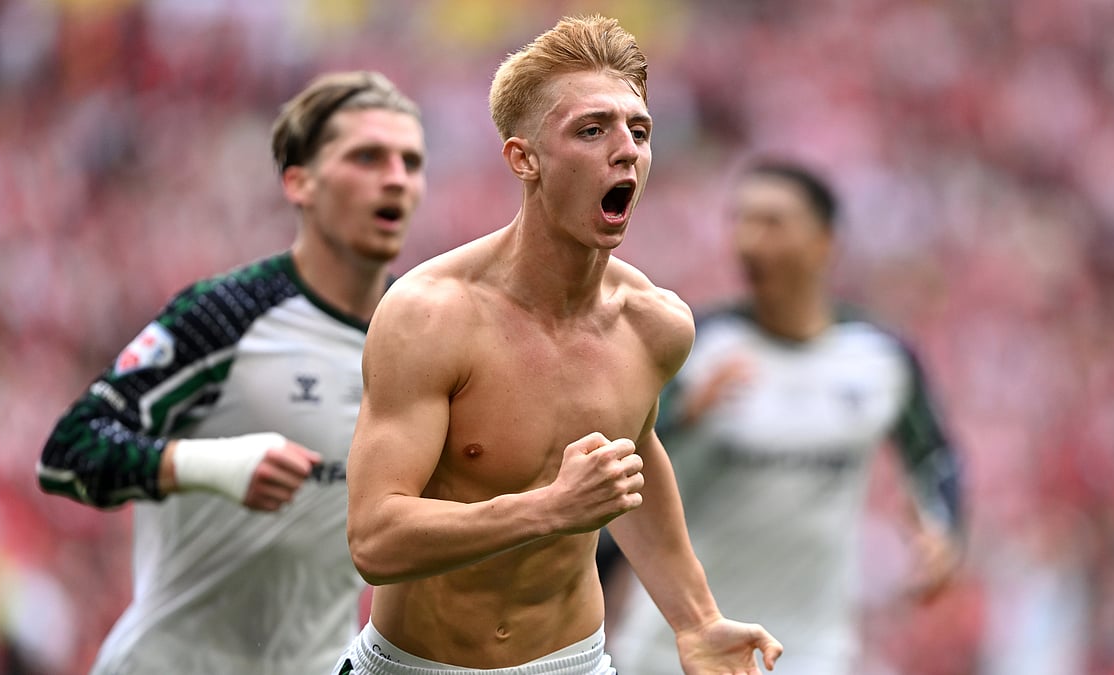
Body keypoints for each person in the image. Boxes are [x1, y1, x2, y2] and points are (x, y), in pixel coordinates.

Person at [335, 15, 783, 675]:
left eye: (640, 129)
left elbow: (632, 459)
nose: (625, 147)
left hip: (572, 662)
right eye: (592, 129)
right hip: (413, 665)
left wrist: (697, 619)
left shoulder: (655, 325)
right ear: (525, 158)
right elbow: (374, 538)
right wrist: (547, 508)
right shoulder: (429, 316)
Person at [36, 70, 426, 674]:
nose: (396, 178)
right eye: (368, 157)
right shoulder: (227, 315)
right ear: (300, 182)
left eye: (410, 161)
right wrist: (209, 466)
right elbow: (68, 450)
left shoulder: (424, 340)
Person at [608, 160, 965, 675]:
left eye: (771, 222)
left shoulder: (880, 359)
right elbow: (617, 464)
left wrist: (944, 532)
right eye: (741, 221)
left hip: (811, 651)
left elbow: (933, 455)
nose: (749, 240)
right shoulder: (691, 346)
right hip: (681, 645)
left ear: (824, 242)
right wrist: (684, 413)